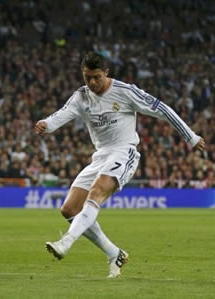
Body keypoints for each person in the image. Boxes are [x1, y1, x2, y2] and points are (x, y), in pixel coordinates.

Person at [34, 52, 205, 278]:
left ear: (106, 73)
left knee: (95, 192)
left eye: (96, 77)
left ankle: (66, 242)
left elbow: (162, 109)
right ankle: (115, 253)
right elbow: (62, 115)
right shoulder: (81, 96)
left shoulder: (126, 92)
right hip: (101, 156)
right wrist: (46, 124)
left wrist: (190, 137)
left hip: (124, 152)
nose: (92, 83)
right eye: (87, 78)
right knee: (69, 209)